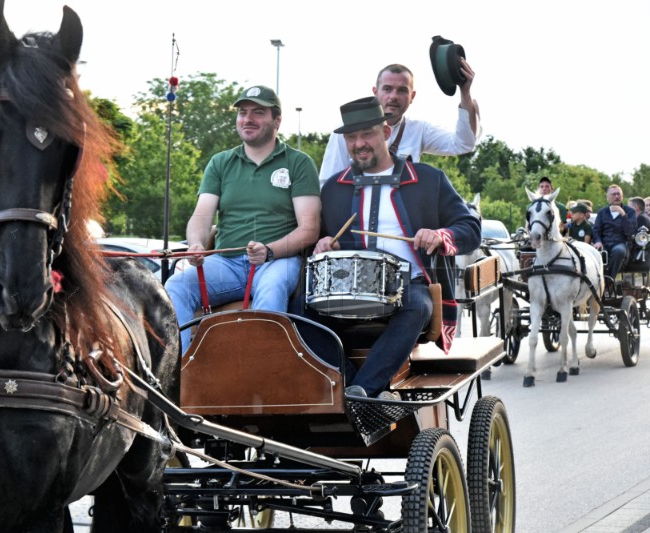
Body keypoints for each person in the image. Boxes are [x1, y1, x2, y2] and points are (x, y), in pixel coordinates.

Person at [314, 96, 481, 399]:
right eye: (351, 137)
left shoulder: (429, 179)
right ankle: (352, 387)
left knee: (418, 306)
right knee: (300, 308)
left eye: (367, 134)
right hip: (350, 286)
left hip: (409, 286)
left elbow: (470, 229)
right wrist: (324, 243)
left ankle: (361, 390)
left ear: (386, 134)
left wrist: (441, 235)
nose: (359, 143)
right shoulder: (334, 188)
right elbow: (322, 239)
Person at [165, 85, 321, 352]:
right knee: (176, 285)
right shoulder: (220, 162)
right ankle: (179, 371)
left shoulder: (299, 163)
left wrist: (270, 251)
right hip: (227, 263)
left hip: (279, 262)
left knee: (270, 291)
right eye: (242, 112)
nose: (247, 119)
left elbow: (309, 229)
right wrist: (196, 244)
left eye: (258, 112)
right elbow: (201, 216)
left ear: (277, 120)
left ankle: (261, 377)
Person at [318, 63, 481, 186]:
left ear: (412, 96)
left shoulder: (419, 130)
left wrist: (465, 92)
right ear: (375, 93)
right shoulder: (349, 129)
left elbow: (463, 144)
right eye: (387, 89)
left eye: (402, 90)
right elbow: (329, 182)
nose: (393, 96)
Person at [593, 184, 637, 279]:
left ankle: (609, 280)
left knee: (619, 251)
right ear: (608, 198)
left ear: (622, 196)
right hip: (604, 243)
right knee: (592, 252)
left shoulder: (630, 212)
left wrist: (623, 214)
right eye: (613, 194)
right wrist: (597, 241)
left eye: (618, 194)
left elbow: (630, 232)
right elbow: (596, 229)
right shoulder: (602, 212)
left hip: (621, 243)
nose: (616, 196)